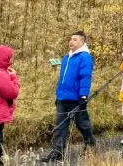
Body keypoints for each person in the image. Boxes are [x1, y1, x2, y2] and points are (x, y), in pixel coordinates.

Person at [41, 31, 95, 163]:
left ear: (82, 42)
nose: (71, 42)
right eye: (71, 39)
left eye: (75, 40)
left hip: (76, 98)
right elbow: (62, 79)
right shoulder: (66, 57)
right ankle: (58, 152)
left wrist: (83, 95)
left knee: (82, 124)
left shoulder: (85, 57)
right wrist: (58, 95)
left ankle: (90, 144)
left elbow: (85, 77)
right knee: (60, 125)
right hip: (62, 98)